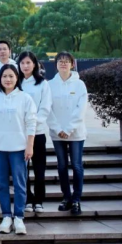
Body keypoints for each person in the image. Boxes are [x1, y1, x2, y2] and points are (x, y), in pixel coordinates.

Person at [0, 65, 36, 235]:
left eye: (11, 76)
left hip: (19, 148)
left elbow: (31, 123)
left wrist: (30, 145)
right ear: (0, 79)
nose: (8, 79)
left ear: (17, 78)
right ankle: (6, 216)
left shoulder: (25, 98)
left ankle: (19, 217)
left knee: (20, 184)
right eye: (4, 76)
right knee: (1, 184)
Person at [47, 52, 88, 216]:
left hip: (76, 133)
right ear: (56, 64)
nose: (63, 63)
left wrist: (69, 129)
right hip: (57, 134)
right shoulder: (49, 85)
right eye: (60, 61)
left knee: (76, 165)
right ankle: (66, 197)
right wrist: (58, 129)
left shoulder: (79, 85)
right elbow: (47, 109)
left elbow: (81, 109)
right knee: (62, 165)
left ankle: (76, 199)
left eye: (66, 61)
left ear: (72, 64)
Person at [18, 51, 52, 213]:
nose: (25, 66)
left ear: (34, 65)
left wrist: (32, 123)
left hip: (37, 132)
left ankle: (38, 200)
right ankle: (27, 198)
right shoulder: (16, 83)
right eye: (22, 63)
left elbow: (45, 107)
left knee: (39, 168)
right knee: (22, 170)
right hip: (19, 133)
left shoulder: (42, 84)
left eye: (28, 63)